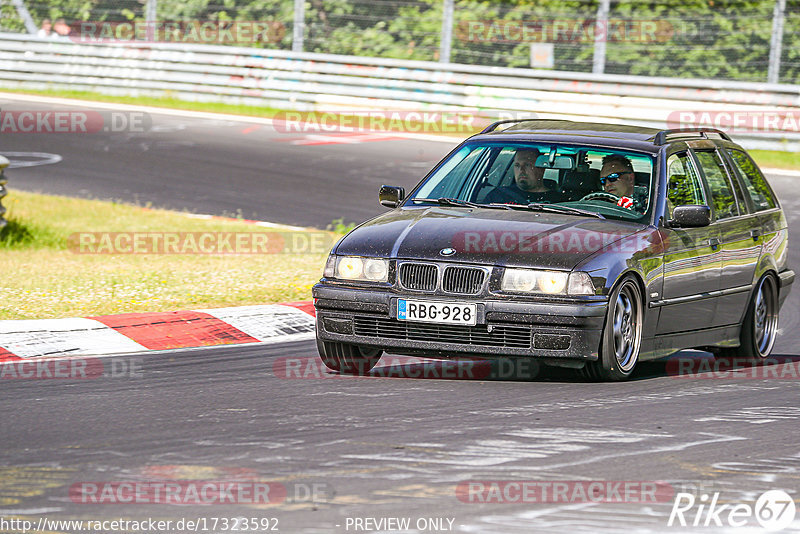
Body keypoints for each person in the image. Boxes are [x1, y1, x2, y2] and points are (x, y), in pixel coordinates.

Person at [484, 148, 562, 204]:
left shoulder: (559, 201)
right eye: (517, 165)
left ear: (541, 168)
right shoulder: (497, 196)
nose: (521, 170)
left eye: (527, 165)